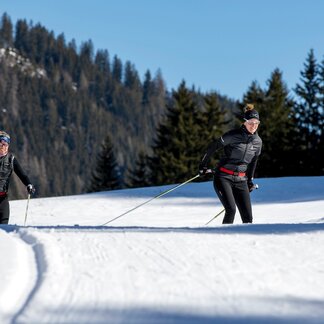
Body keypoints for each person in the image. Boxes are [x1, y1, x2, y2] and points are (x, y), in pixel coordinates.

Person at [199, 104, 262, 224]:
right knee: (231, 210)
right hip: (223, 177)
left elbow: (254, 160)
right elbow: (213, 147)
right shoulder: (233, 135)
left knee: (248, 217)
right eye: (250, 122)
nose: (253, 126)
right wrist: (203, 165)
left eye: (256, 123)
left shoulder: (258, 142)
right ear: (244, 122)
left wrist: (249, 180)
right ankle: (223, 238)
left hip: (241, 180)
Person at [0, 131, 35, 224]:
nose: (2, 146)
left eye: (5, 144)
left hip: (3, 200)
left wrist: (28, 184)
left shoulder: (11, 159)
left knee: (3, 228)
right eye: (0, 143)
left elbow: (22, 174)